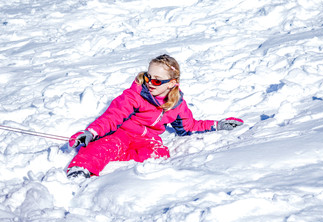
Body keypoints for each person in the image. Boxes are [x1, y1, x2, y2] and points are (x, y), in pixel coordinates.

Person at [67, 54, 244, 178]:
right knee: (106, 144)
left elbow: (189, 127)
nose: (150, 83)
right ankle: (80, 168)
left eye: (157, 80)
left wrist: (218, 125)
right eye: (148, 77)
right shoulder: (135, 95)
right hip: (123, 133)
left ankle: (118, 159)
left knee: (159, 153)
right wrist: (92, 132)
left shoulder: (176, 105)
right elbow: (113, 116)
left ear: (172, 83)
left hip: (146, 140)